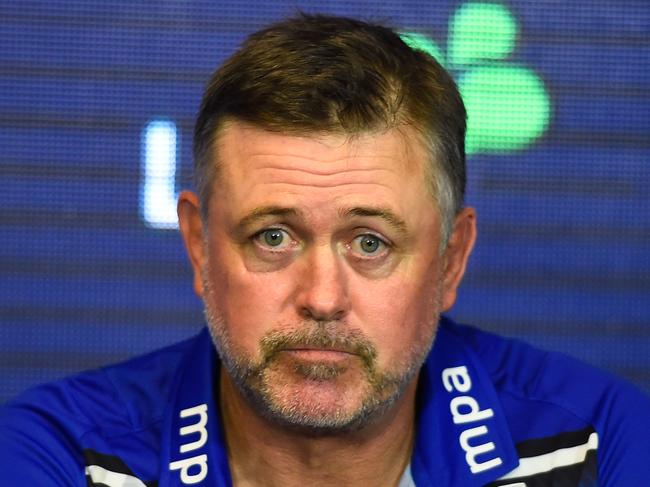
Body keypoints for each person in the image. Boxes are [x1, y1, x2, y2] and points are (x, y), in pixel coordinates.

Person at [1, 13, 649, 487]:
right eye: (273, 236)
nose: (321, 298)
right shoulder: (62, 456)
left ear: (450, 260)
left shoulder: (599, 444)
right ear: (199, 247)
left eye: (370, 242)